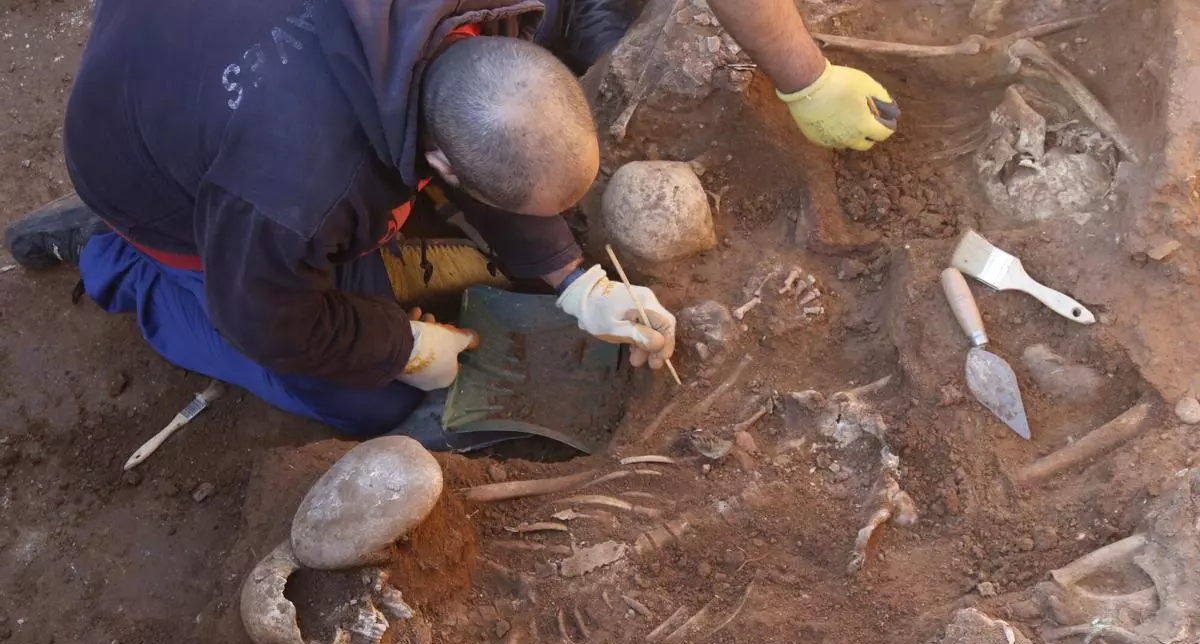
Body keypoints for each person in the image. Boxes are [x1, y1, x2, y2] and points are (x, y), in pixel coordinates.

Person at [4, 0, 899, 437]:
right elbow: (267, 318)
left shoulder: (477, 25)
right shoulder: (300, 192)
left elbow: (481, 132)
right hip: (139, 147)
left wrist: (575, 279)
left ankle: (187, 165)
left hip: (196, 58)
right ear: (434, 163)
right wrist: (402, 350)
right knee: (362, 392)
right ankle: (118, 257)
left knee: (407, 243)